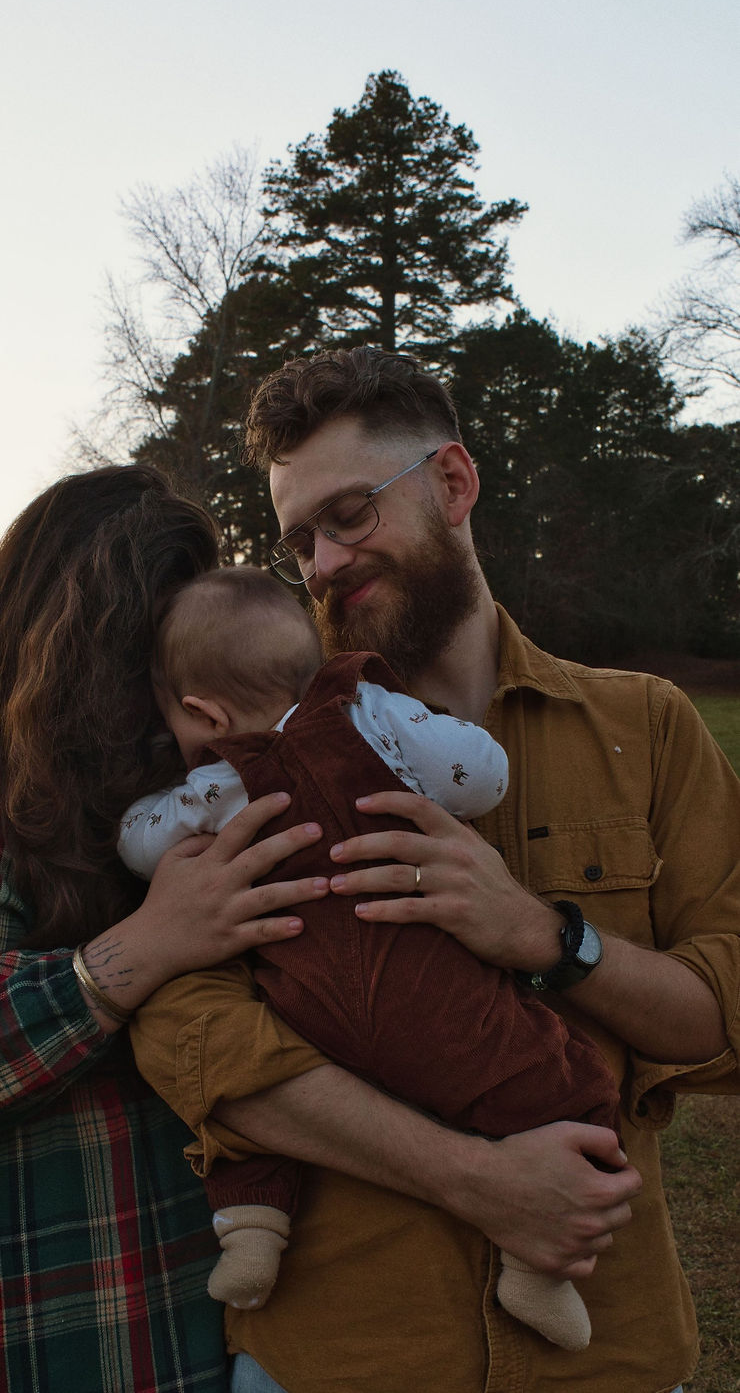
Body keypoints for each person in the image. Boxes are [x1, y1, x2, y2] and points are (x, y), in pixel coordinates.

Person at [129, 348, 740, 1393]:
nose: (323, 562)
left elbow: (725, 1016)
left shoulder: (645, 726)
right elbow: (188, 1032)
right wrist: (477, 1178)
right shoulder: (255, 760)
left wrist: (546, 937)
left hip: (607, 1357)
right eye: (299, 542)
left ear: (451, 482)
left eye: (349, 514)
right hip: (343, 1356)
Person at [0, 466, 337, 1393]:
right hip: (45, 1305)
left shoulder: (173, 783)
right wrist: (145, 947)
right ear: (76, 644)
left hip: (200, 1297)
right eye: (145, 655)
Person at [119, 564, 622, 1352]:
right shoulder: (372, 712)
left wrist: (150, 824)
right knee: (570, 1082)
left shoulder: (218, 785)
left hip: (305, 1003)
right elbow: (485, 775)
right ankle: (538, 1265)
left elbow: (142, 842)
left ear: (203, 713)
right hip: (428, 994)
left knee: (243, 1083)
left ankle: (253, 1223)